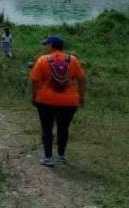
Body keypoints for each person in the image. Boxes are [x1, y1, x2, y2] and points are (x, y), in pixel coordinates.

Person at [29, 36, 86, 167]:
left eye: (46, 44)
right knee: (63, 128)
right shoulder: (73, 60)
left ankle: (48, 158)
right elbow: (82, 79)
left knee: (47, 128)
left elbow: (34, 81)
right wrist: (81, 97)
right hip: (69, 102)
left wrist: (34, 96)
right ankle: (61, 155)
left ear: (51, 45)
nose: (44, 47)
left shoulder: (43, 59)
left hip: (45, 100)